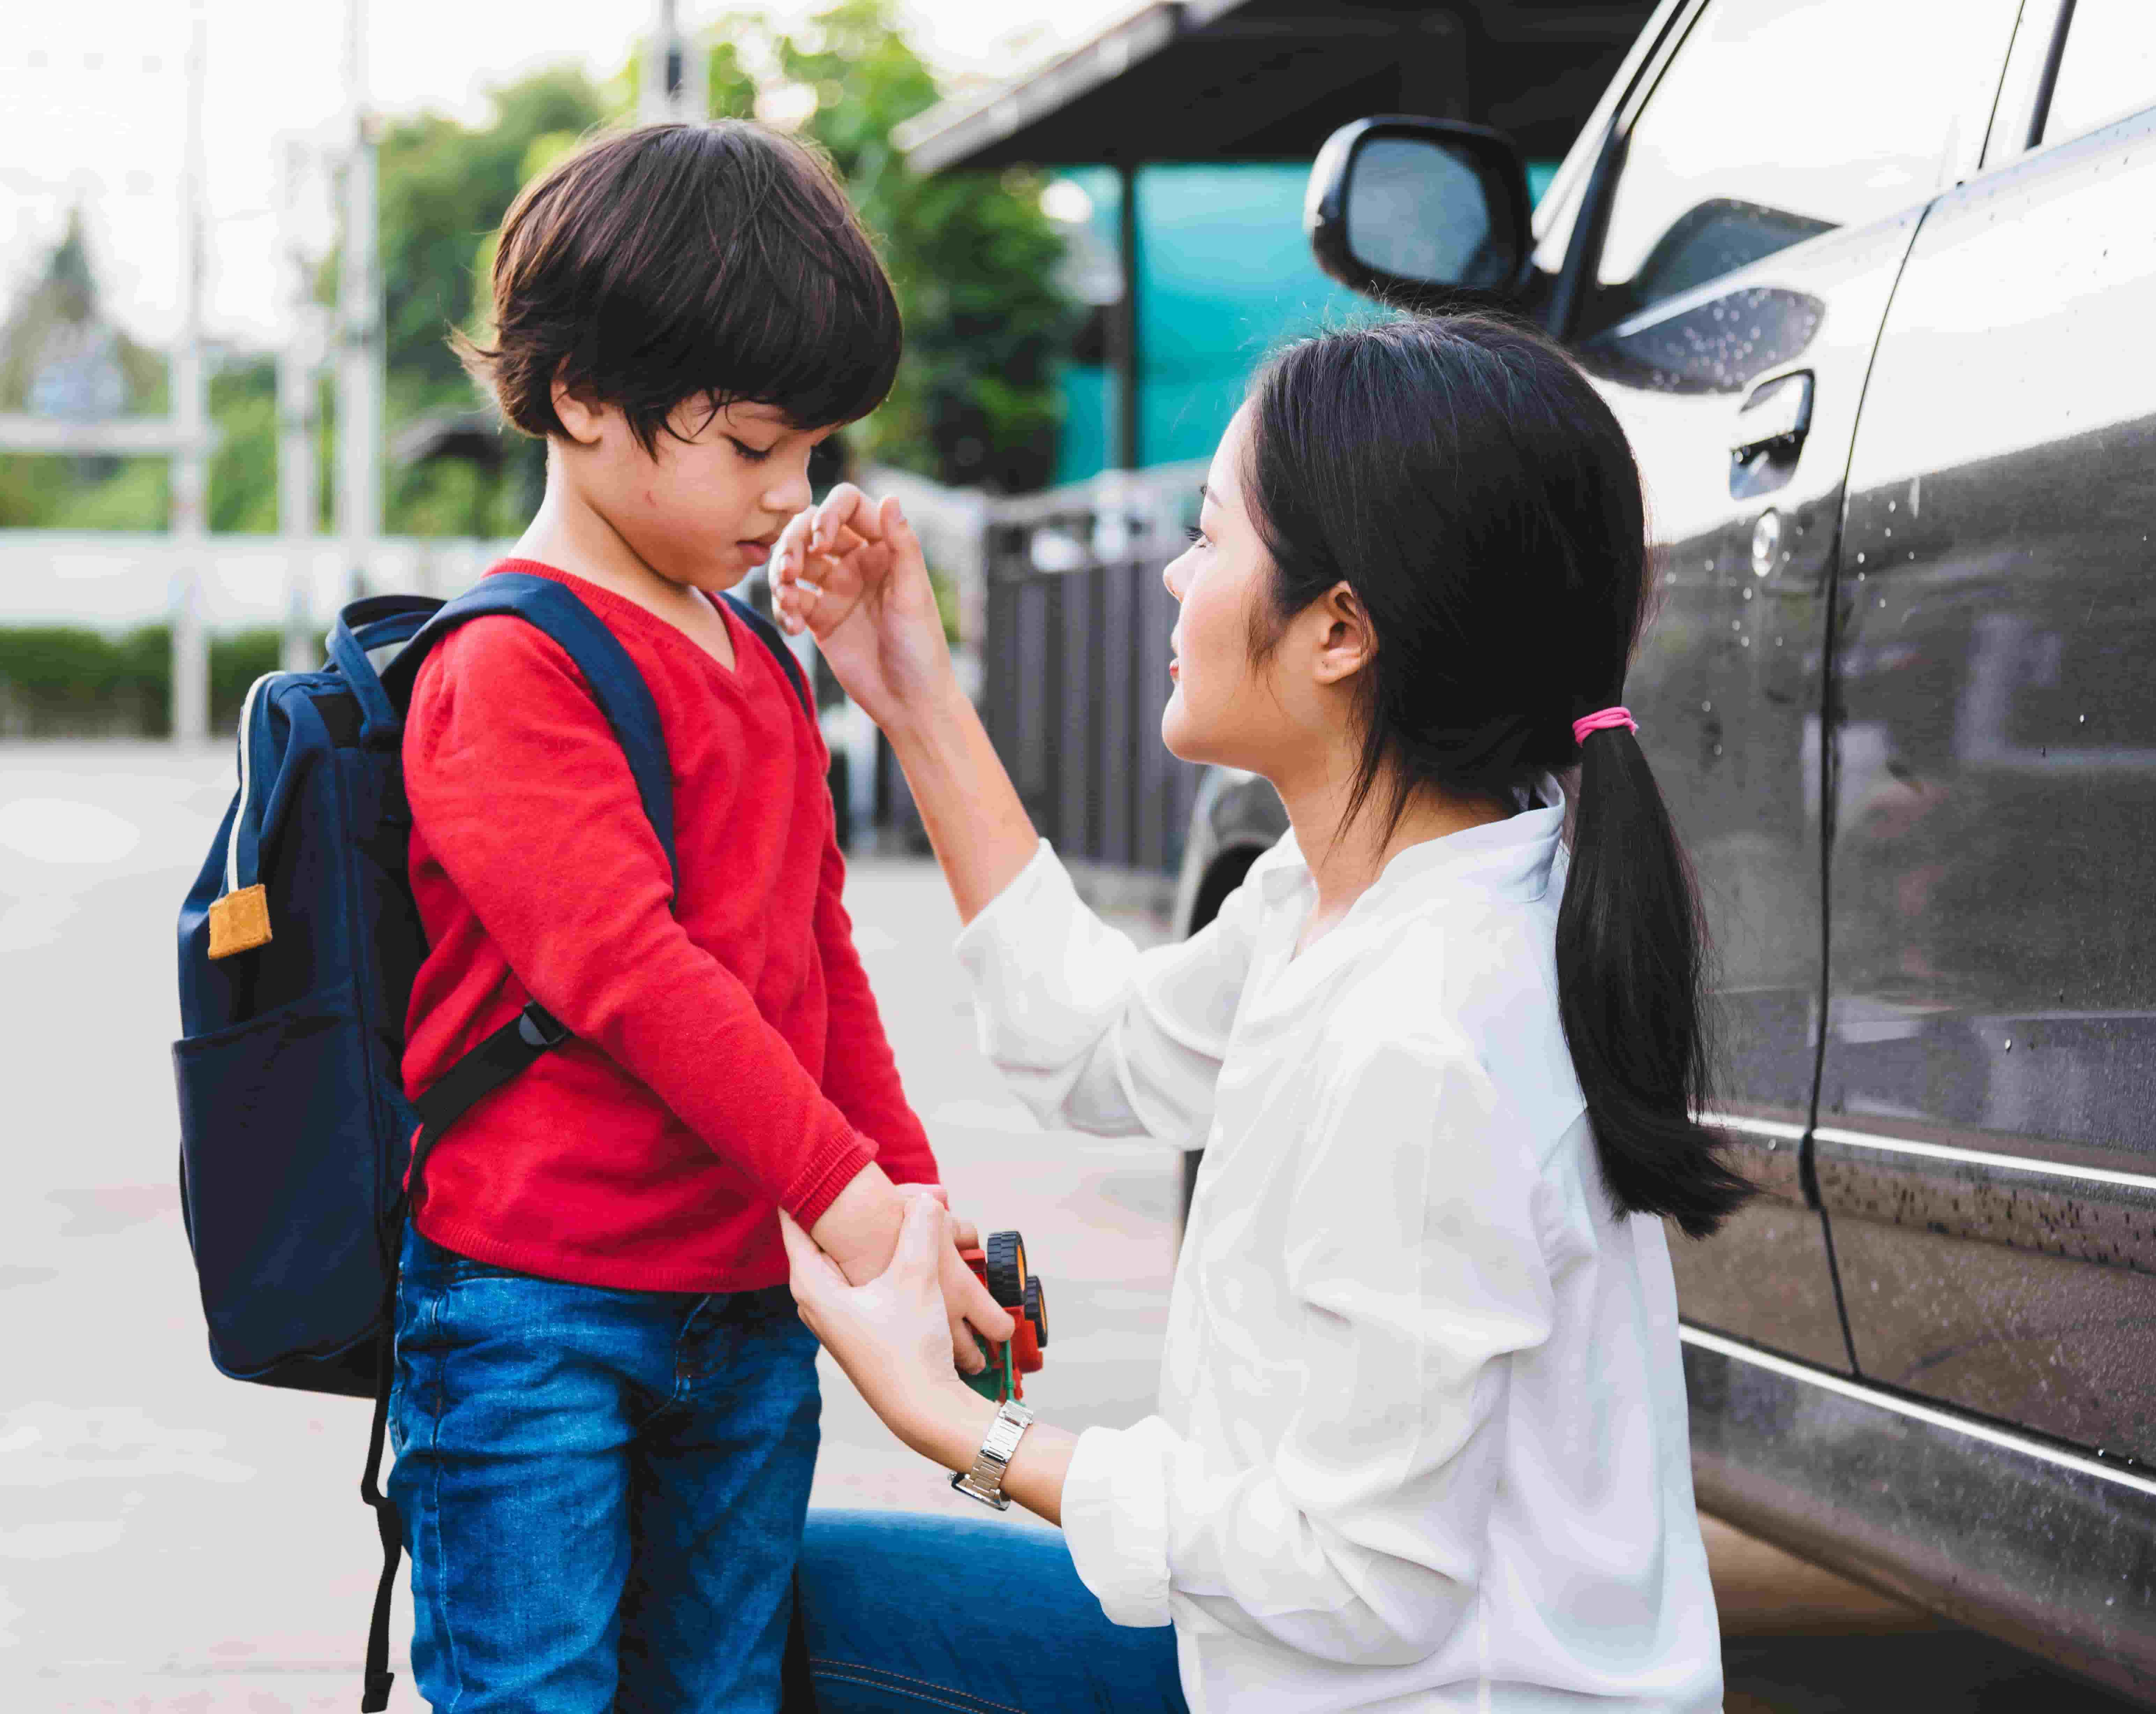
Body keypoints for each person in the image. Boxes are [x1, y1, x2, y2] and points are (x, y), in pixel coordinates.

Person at [771, 315, 1745, 1712]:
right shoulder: (1347, 893)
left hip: (1388, 1681)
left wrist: (962, 1425)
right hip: (1278, 1667)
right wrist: (915, 689)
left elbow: (1356, 1579)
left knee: (728, 1611)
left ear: (1340, 628)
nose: (1172, 574)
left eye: (1210, 537)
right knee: (754, 1584)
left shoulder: (1432, 1031)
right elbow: (1090, 1042)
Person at [391, 119, 1011, 1714]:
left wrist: (915, 1205)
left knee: (723, 1691)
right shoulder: (507, 666)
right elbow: (633, 979)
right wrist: (859, 1214)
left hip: (740, 1315)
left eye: (811, 450)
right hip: (535, 1321)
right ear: (583, 394)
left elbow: (815, 963)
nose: (789, 497)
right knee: (533, 1693)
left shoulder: (757, 660)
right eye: (750, 449)